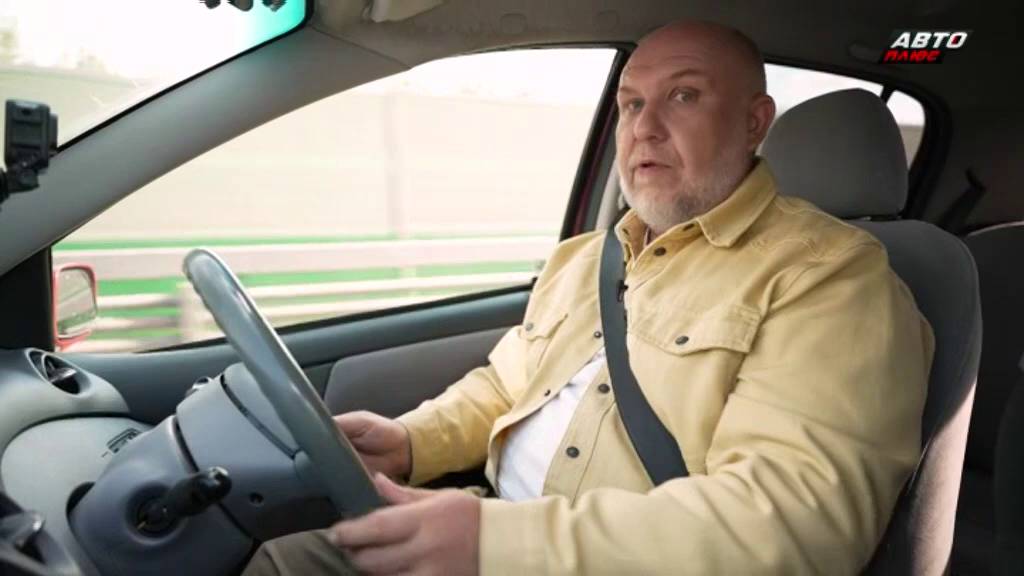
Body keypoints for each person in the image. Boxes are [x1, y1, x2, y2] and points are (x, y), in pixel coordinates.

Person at [242, 19, 934, 576]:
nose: (644, 128)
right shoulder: (585, 260)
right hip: (495, 522)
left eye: (683, 96)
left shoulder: (831, 280)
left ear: (755, 123)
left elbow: (789, 523)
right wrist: (411, 440)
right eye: (632, 103)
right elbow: (507, 384)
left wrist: (495, 544)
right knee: (281, 558)